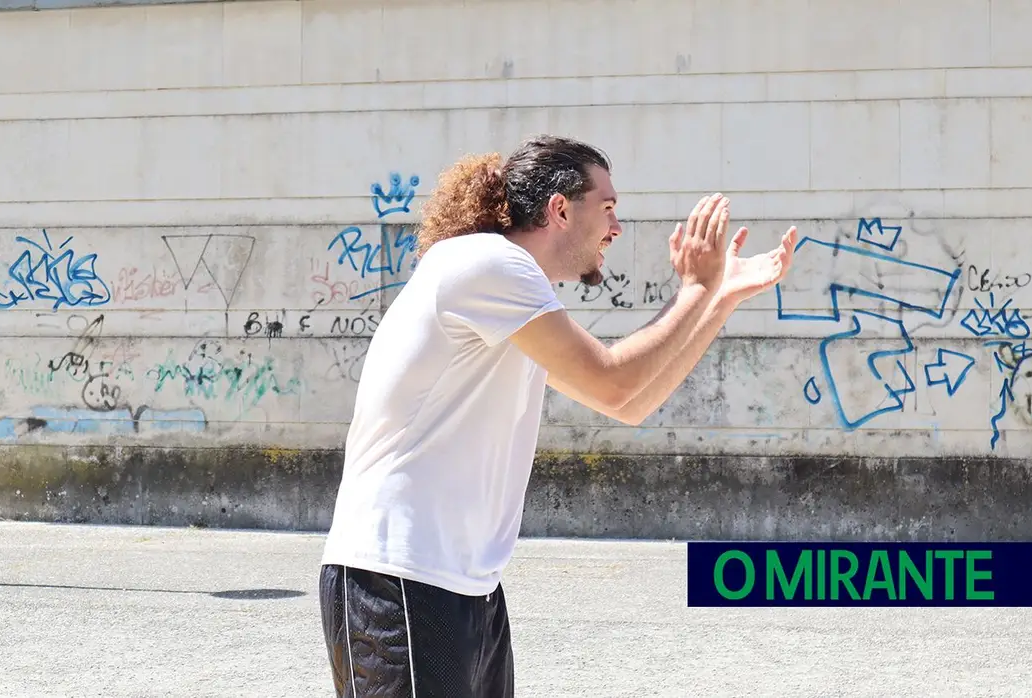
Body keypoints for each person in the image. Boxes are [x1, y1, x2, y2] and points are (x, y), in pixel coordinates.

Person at [317, 135, 798, 697]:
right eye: (608, 208)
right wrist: (697, 285)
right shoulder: (486, 264)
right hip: (397, 576)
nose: (617, 228)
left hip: (464, 584)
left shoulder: (513, 289)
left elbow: (628, 401)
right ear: (560, 209)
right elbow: (615, 379)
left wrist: (719, 298)